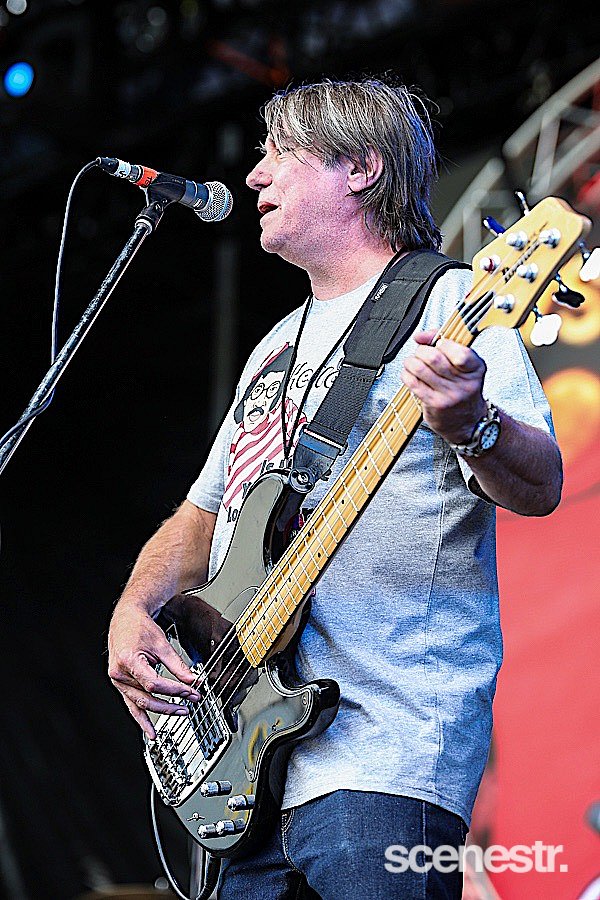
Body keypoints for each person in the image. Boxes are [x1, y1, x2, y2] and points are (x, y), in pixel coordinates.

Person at [108, 78, 562, 899]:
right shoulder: (275, 345)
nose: (254, 175)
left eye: (280, 152)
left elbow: (541, 485)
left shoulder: (453, 302)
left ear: (359, 168)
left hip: (387, 760)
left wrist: (473, 422)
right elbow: (206, 512)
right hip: (247, 772)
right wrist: (135, 607)